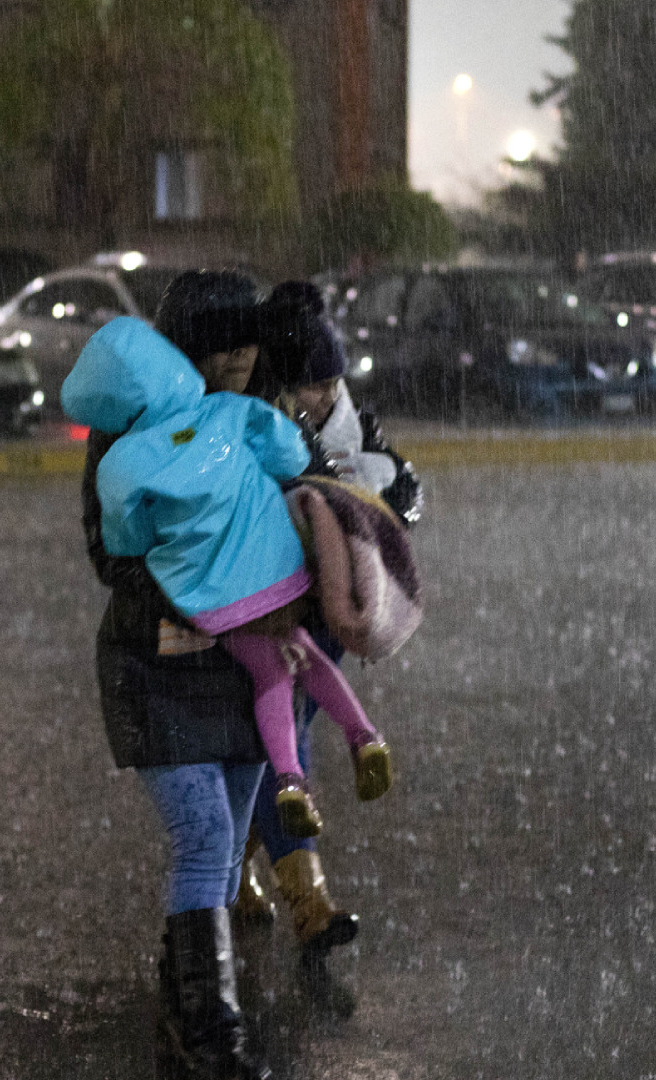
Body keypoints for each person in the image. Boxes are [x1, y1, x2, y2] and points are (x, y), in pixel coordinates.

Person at [66, 309, 395, 843]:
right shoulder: (228, 411)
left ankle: (289, 779)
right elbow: (288, 452)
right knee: (303, 652)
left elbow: (125, 541)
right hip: (278, 573)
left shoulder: (120, 462)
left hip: (215, 600)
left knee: (269, 673)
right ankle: (363, 734)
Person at [73, 269, 282, 1080]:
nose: (234, 359)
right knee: (204, 837)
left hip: (245, 672)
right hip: (157, 666)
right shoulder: (130, 428)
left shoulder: (258, 416)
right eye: (215, 345)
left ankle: (183, 1006)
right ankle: (210, 1031)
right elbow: (109, 555)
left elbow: (323, 494)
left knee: (226, 849)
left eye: (244, 342)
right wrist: (202, 596)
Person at [231, 285, 423, 957]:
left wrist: (384, 498)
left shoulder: (352, 422)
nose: (326, 396)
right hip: (275, 606)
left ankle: (235, 867)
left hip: (333, 607)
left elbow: (404, 487)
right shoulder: (261, 426)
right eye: (312, 385)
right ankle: (310, 904)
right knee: (283, 746)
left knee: (278, 743)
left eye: (332, 382)